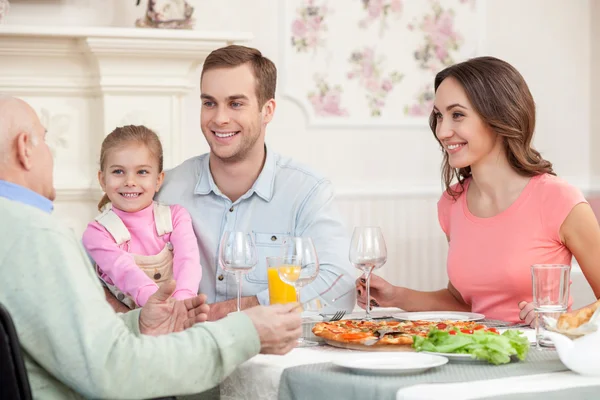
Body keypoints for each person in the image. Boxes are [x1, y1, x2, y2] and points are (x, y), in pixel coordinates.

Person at [0, 95, 301, 399]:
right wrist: (246, 332)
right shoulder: (36, 236)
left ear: (158, 179)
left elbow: (71, 344)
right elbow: (113, 370)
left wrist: (138, 322)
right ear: (25, 148)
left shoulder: (14, 230)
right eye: (46, 141)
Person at [105, 45, 357, 319]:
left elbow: (339, 289)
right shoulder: (163, 190)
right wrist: (132, 323)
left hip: (273, 352)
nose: (219, 118)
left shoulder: (307, 192)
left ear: (267, 110)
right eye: (209, 103)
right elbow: (96, 266)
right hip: (181, 352)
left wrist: (224, 312)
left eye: (236, 104)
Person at [356, 56, 600, 324]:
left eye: (457, 115)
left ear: (499, 116)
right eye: (439, 116)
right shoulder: (452, 203)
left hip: (541, 355)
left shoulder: (559, 200)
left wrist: (559, 321)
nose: (442, 131)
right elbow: (463, 302)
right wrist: (394, 296)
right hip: (476, 354)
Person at [83, 125, 202, 309]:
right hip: (128, 327)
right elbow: (125, 272)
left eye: (142, 172)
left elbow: (188, 263)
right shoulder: (97, 233)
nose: (130, 182)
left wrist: (182, 304)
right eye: (118, 172)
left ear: (158, 180)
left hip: (178, 316)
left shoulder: (176, 217)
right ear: (102, 179)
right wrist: (157, 307)